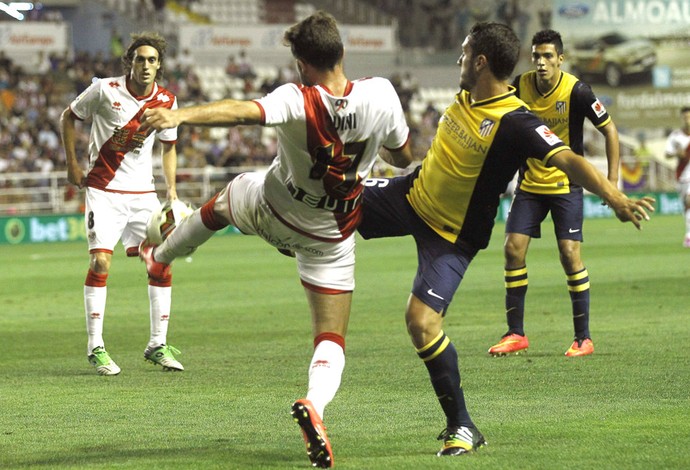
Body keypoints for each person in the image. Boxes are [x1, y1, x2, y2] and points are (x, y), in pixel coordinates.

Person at [357, 22, 654, 457]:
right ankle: (268, 220)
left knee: (420, 323)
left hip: (453, 235)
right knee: (334, 199)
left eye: (463, 53)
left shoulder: (515, 122)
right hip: (412, 195)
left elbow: (569, 159)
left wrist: (614, 193)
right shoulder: (468, 95)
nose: (458, 59)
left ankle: (463, 427)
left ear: (479, 61)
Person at [136, 11, 413, 468]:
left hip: (275, 209)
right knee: (330, 337)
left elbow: (242, 113)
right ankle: (314, 406)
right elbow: (403, 157)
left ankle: (160, 256)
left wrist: (179, 115)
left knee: (225, 201)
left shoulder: (295, 98)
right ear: (342, 53)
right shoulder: (382, 94)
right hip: (330, 234)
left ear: (302, 64)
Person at [487, 29, 620, 358]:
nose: (542, 63)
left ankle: (583, 338)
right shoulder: (519, 86)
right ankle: (516, 333)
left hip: (565, 185)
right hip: (530, 185)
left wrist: (612, 180)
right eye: (536, 56)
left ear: (560, 58)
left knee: (569, 255)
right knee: (512, 250)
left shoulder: (577, 91)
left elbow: (610, 129)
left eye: (548, 56)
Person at [60, 32, 184, 376]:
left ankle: (157, 344)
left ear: (159, 66)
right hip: (103, 189)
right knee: (101, 264)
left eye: (152, 60)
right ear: (129, 61)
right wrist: (72, 163)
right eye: (140, 59)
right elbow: (68, 117)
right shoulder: (104, 90)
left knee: (160, 262)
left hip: (143, 195)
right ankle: (95, 346)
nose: (146, 65)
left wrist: (171, 190)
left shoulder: (166, 101)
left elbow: (169, 147)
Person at [664, 106, 690, 247]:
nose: (687, 120)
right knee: (686, 207)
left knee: (689, 201)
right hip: (682, 176)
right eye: (685, 117)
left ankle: (689, 236)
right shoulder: (676, 136)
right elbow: (667, 153)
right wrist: (676, 154)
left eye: (689, 117)